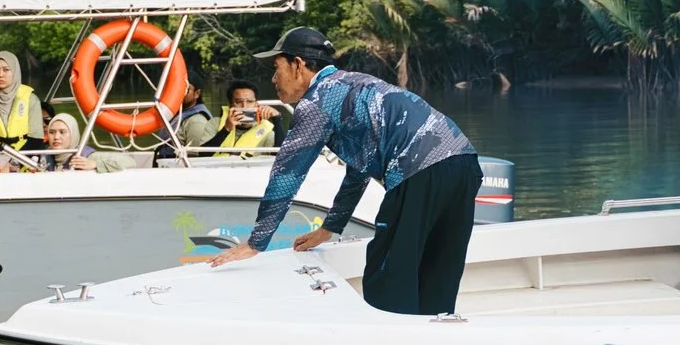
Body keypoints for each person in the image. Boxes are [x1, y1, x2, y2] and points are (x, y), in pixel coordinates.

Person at [206, 27, 482, 315]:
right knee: (437, 272)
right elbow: (360, 169)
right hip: (465, 163)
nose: (273, 79)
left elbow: (287, 174)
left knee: (388, 276)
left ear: (298, 65)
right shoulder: (355, 84)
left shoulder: (316, 102)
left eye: (277, 68)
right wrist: (330, 228)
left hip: (419, 170)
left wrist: (256, 242)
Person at [0, 50, 45, 152]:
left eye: (6, 70)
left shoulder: (31, 99)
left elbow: (36, 139)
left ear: (15, 71)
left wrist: (15, 162)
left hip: (27, 157)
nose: (0, 75)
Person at [211, 82, 277, 155]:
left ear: (256, 105)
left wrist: (277, 119)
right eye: (239, 102)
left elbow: (283, 158)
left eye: (250, 101)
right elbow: (201, 154)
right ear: (230, 105)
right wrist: (226, 129)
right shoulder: (215, 123)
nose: (245, 106)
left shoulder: (267, 132)